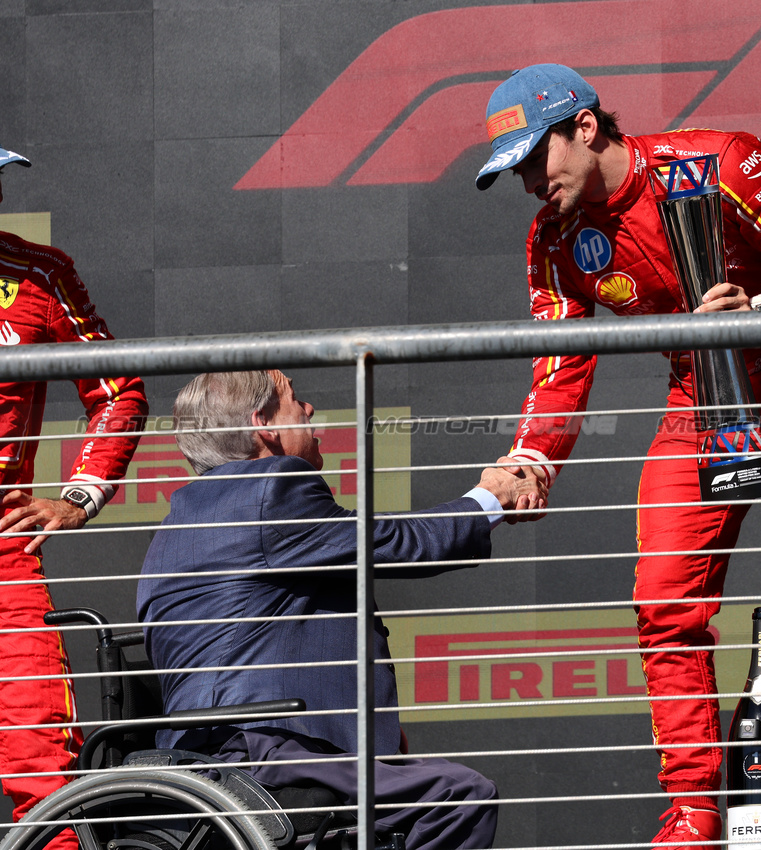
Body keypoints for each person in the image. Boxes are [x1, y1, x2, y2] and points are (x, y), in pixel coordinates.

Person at [475, 65, 761, 849]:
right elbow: (559, 364)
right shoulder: (554, 237)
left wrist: (760, 313)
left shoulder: (722, 160)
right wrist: (531, 458)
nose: (526, 182)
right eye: (512, 168)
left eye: (531, 158)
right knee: (663, 607)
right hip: (700, 406)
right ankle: (691, 810)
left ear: (584, 127)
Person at [137, 370, 545, 850]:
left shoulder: (181, 521)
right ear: (263, 423)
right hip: (261, 749)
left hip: (213, 753)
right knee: (458, 796)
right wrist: (489, 498)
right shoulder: (270, 488)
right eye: (296, 401)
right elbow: (396, 543)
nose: (309, 410)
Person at [0, 143, 149, 836]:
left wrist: (79, 495)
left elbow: (118, 391)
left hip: (3, 558)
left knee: (41, 761)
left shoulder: (36, 273)